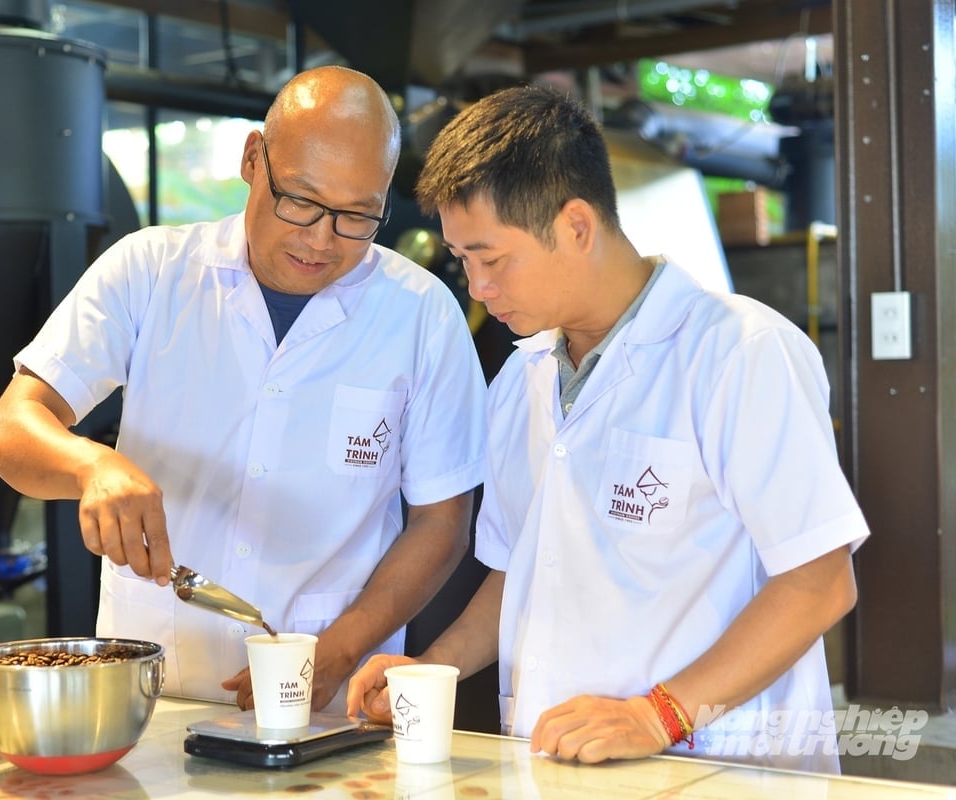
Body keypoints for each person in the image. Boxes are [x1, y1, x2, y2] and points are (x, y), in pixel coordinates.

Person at [346, 84, 868, 774]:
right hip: (553, 766)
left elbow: (820, 583)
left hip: (718, 768)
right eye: (463, 260)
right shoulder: (522, 380)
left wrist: (657, 714)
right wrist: (427, 670)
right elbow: (518, 573)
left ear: (577, 227)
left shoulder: (738, 353)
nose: (476, 288)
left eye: (491, 258)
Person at [0, 65, 487, 712]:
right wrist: (92, 466)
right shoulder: (152, 271)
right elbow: (8, 432)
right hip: (150, 697)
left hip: (328, 709)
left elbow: (442, 524)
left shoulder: (421, 314)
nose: (321, 239)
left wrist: (334, 651)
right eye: (300, 200)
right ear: (254, 159)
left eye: (358, 217)